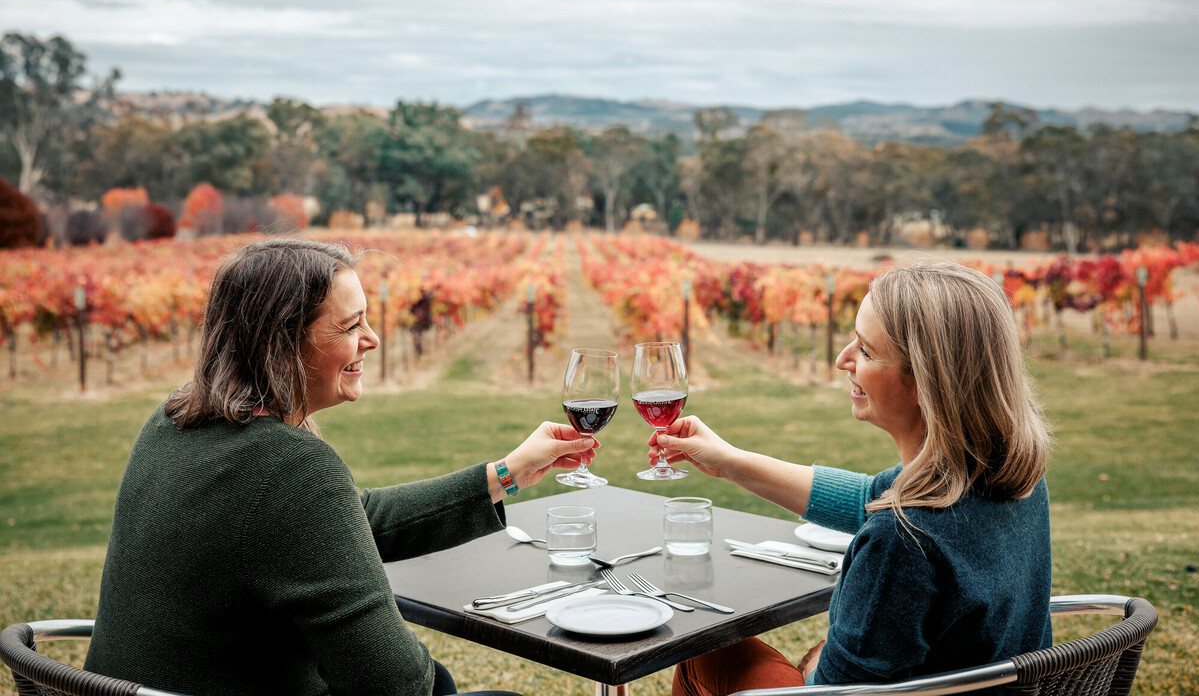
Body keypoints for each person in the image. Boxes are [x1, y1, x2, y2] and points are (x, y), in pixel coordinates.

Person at [85, 238, 598, 696]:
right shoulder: (288, 467)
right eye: (352, 326)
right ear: (282, 343)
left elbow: (343, 518)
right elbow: (392, 683)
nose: (372, 339)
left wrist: (505, 473)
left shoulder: (174, 419)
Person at [650, 260, 1053, 696]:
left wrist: (817, 668)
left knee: (703, 651)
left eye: (865, 350)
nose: (843, 359)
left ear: (924, 383)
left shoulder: (903, 541)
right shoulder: (1004, 475)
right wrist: (729, 461)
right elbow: (868, 496)